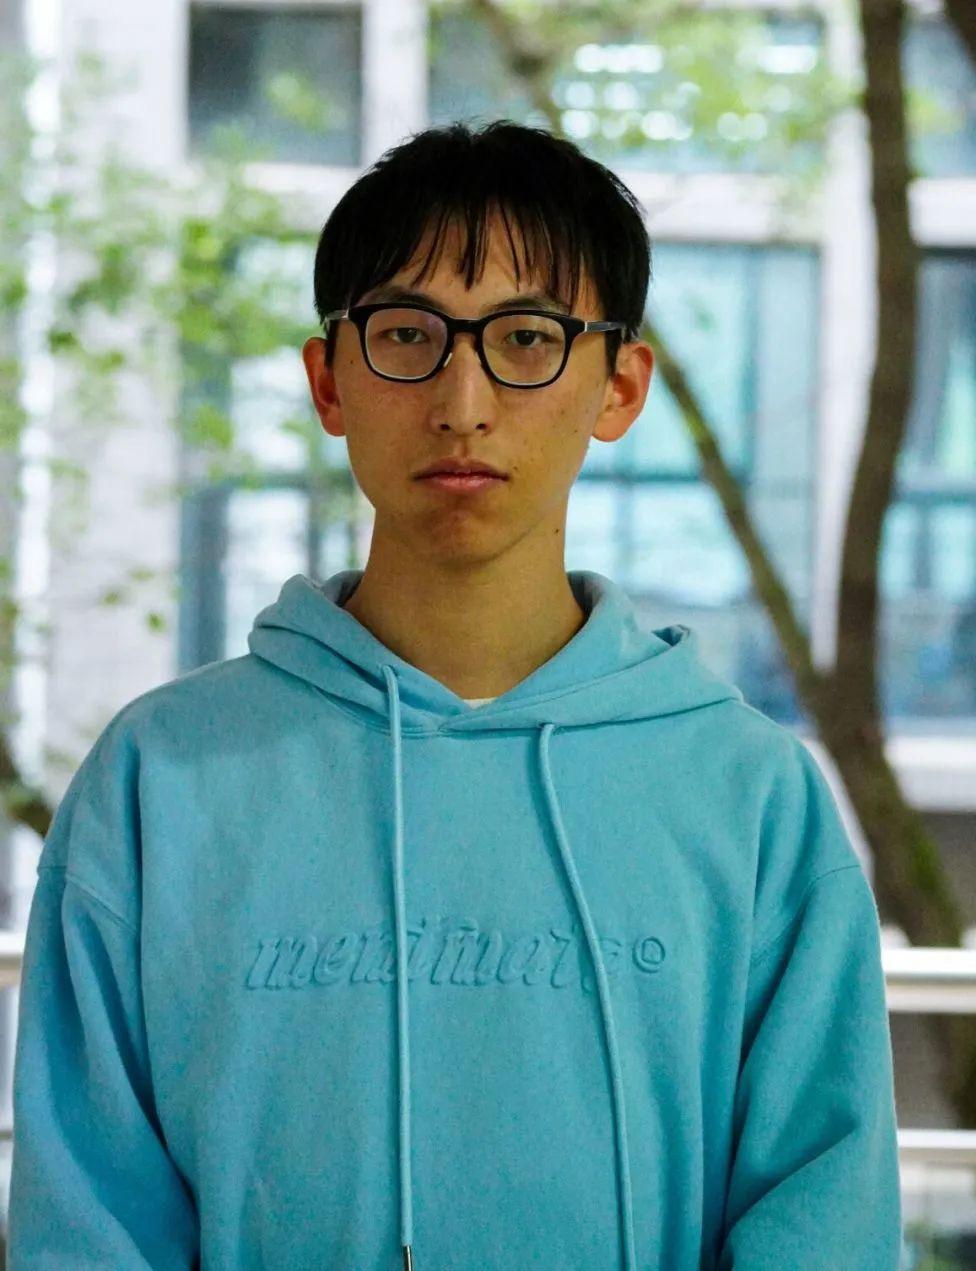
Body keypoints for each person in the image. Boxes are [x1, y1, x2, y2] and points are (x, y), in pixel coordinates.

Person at [7, 119, 902, 1270]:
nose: (462, 400)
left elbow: (823, 1222)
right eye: (407, 335)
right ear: (328, 379)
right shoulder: (159, 780)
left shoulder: (753, 795)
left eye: (527, 337)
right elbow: (88, 1226)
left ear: (619, 385)